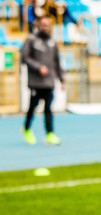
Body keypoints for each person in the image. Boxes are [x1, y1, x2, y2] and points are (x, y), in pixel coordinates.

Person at [21, 15, 64, 146]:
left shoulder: (52, 42)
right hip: (35, 82)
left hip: (49, 82)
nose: (45, 27)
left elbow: (57, 62)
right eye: (43, 24)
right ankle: (27, 129)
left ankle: (50, 134)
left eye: (47, 25)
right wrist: (38, 67)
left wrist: (61, 79)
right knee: (32, 107)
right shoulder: (31, 40)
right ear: (38, 25)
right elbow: (25, 58)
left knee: (48, 109)